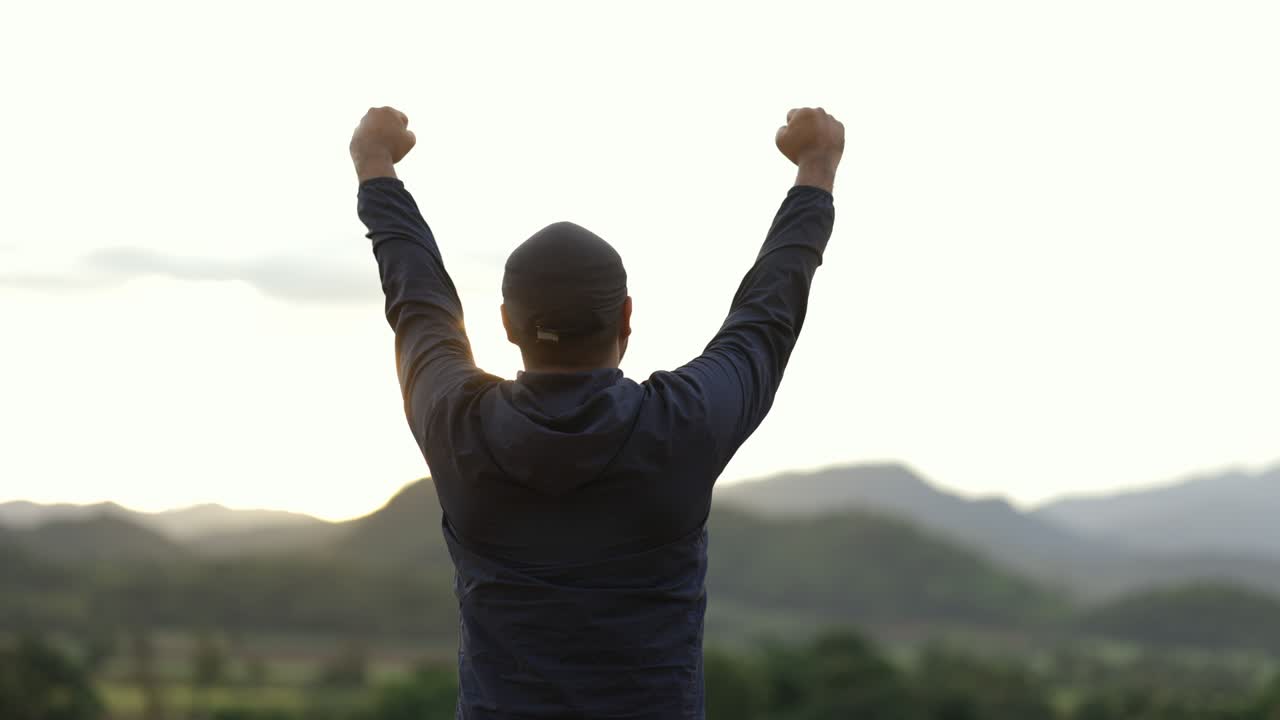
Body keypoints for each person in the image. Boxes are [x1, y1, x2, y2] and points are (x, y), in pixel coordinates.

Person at [351, 105, 843, 720]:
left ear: (505, 324)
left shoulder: (458, 424)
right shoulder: (680, 426)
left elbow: (416, 299)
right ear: (627, 318)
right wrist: (816, 166)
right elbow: (766, 318)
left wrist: (376, 167)